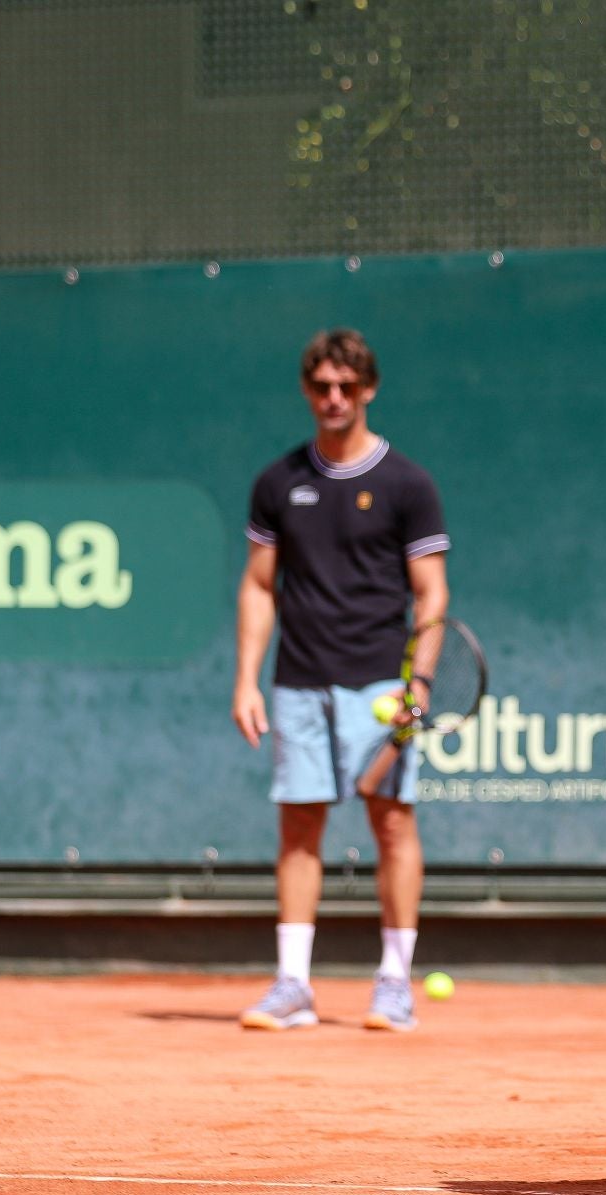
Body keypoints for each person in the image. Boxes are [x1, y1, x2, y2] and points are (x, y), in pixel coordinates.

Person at [233, 328, 450, 1033]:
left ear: (368, 390)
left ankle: (394, 983)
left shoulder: (406, 484)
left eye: (347, 386)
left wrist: (420, 680)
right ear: (307, 391)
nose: (334, 398)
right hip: (299, 682)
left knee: (392, 823)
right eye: (322, 386)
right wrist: (247, 680)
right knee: (299, 826)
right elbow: (259, 586)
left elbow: (432, 595)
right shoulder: (277, 482)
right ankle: (293, 984)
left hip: (380, 682)